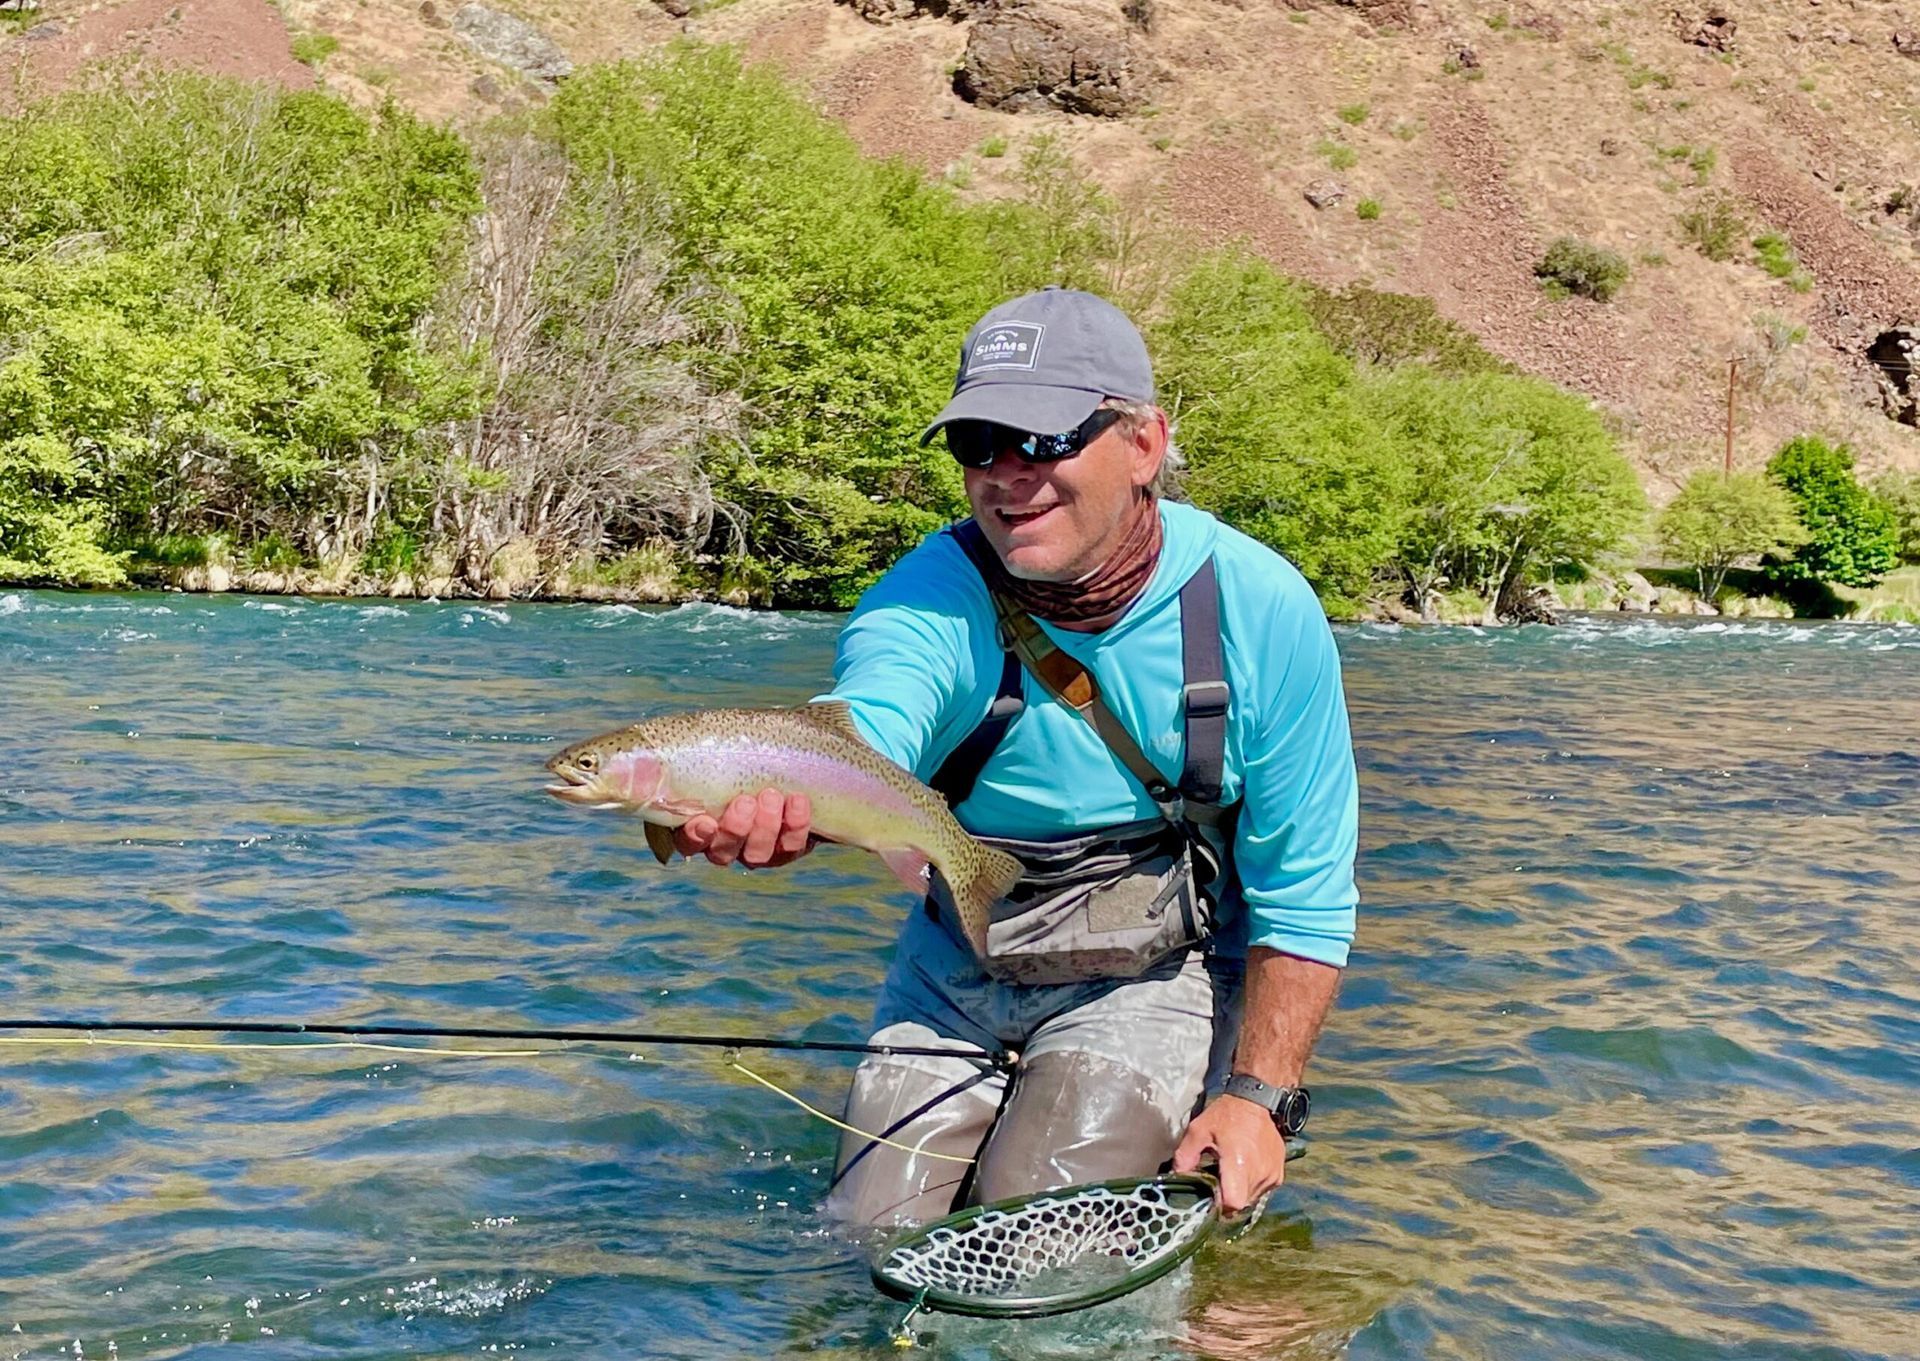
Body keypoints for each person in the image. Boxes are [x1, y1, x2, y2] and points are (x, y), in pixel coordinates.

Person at [674, 287, 1358, 1224]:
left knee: (1036, 1236)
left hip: (1153, 972)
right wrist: (776, 788)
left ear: (1146, 444)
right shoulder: (925, 597)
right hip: (953, 967)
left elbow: (1304, 891)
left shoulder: (1259, 611)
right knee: (865, 1244)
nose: (1006, 473)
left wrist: (1257, 1098)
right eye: (976, 443)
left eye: (1044, 440)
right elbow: (870, 720)